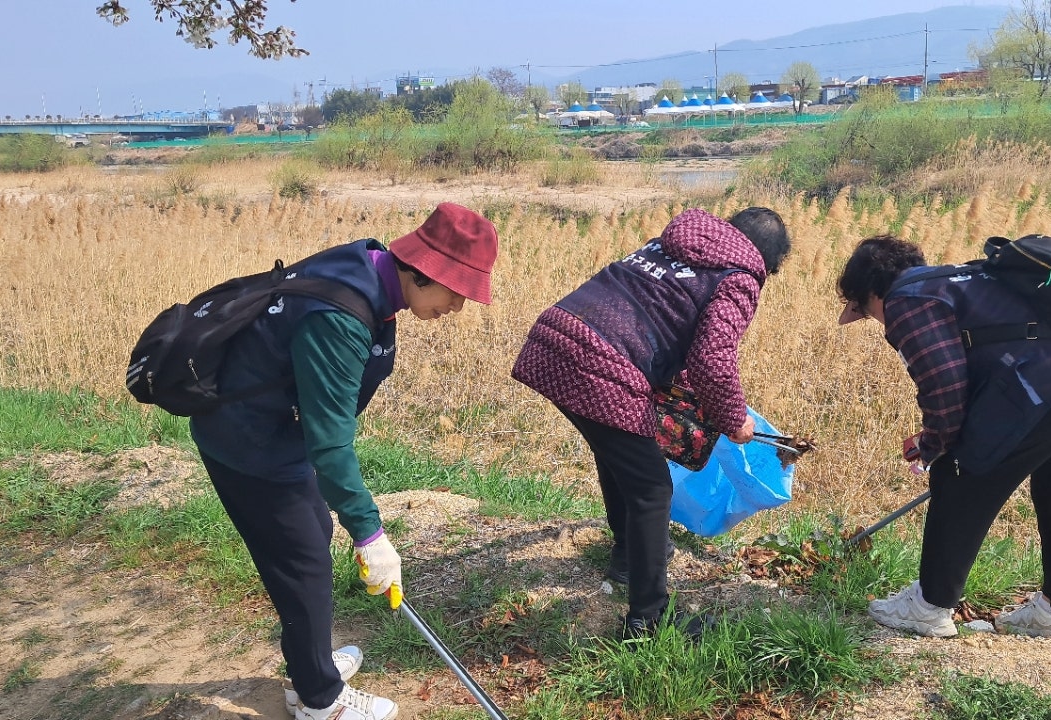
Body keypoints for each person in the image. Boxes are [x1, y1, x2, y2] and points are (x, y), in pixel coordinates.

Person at [188, 203, 499, 720]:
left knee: (308, 540)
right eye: (457, 292)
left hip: (274, 432)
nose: (458, 308)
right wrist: (371, 534)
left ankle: (311, 668)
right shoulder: (340, 318)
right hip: (248, 442)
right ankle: (320, 701)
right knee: (303, 561)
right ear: (424, 272)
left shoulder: (369, 266)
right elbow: (330, 443)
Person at [836, 235, 1051, 643]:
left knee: (959, 475)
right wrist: (933, 437)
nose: (876, 320)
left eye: (867, 311)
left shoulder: (906, 300)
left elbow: (944, 391)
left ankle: (928, 607)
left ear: (872, 292)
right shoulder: (958, 277)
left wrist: (933, 448)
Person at [512, 207, 791, 638]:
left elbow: (656, 316)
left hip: (555, 338)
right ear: (767, 262)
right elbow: (712, 361)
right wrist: (734, 420)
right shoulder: (740, 274)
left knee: (619, 454)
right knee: (652, 487)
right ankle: (648, 621)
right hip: (601, 361)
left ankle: (627, 558)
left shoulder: (670, 244)